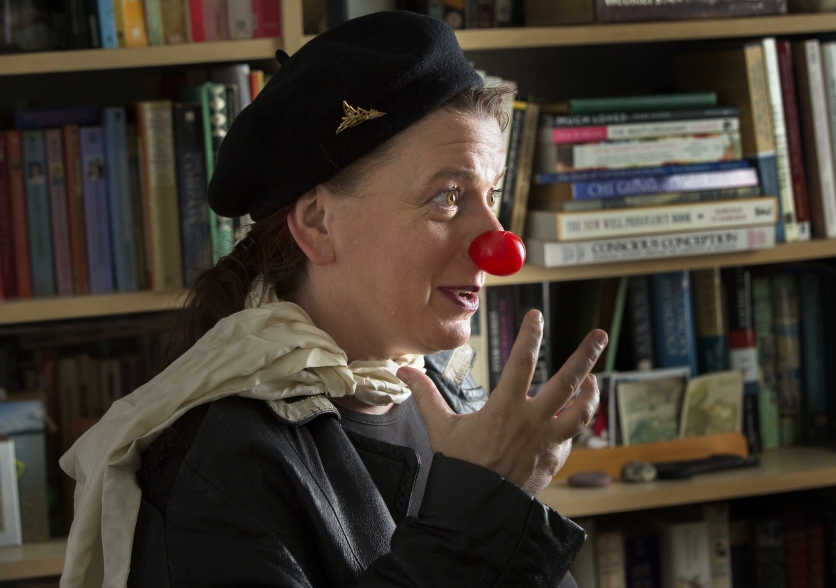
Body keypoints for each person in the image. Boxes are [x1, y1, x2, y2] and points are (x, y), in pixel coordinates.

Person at [59, 10, 607, 588]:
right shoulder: (221, 465)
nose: (499, 246)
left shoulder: (444, 391)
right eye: (448, 197)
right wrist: (480, 510)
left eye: (490, 195)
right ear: (319, 224)